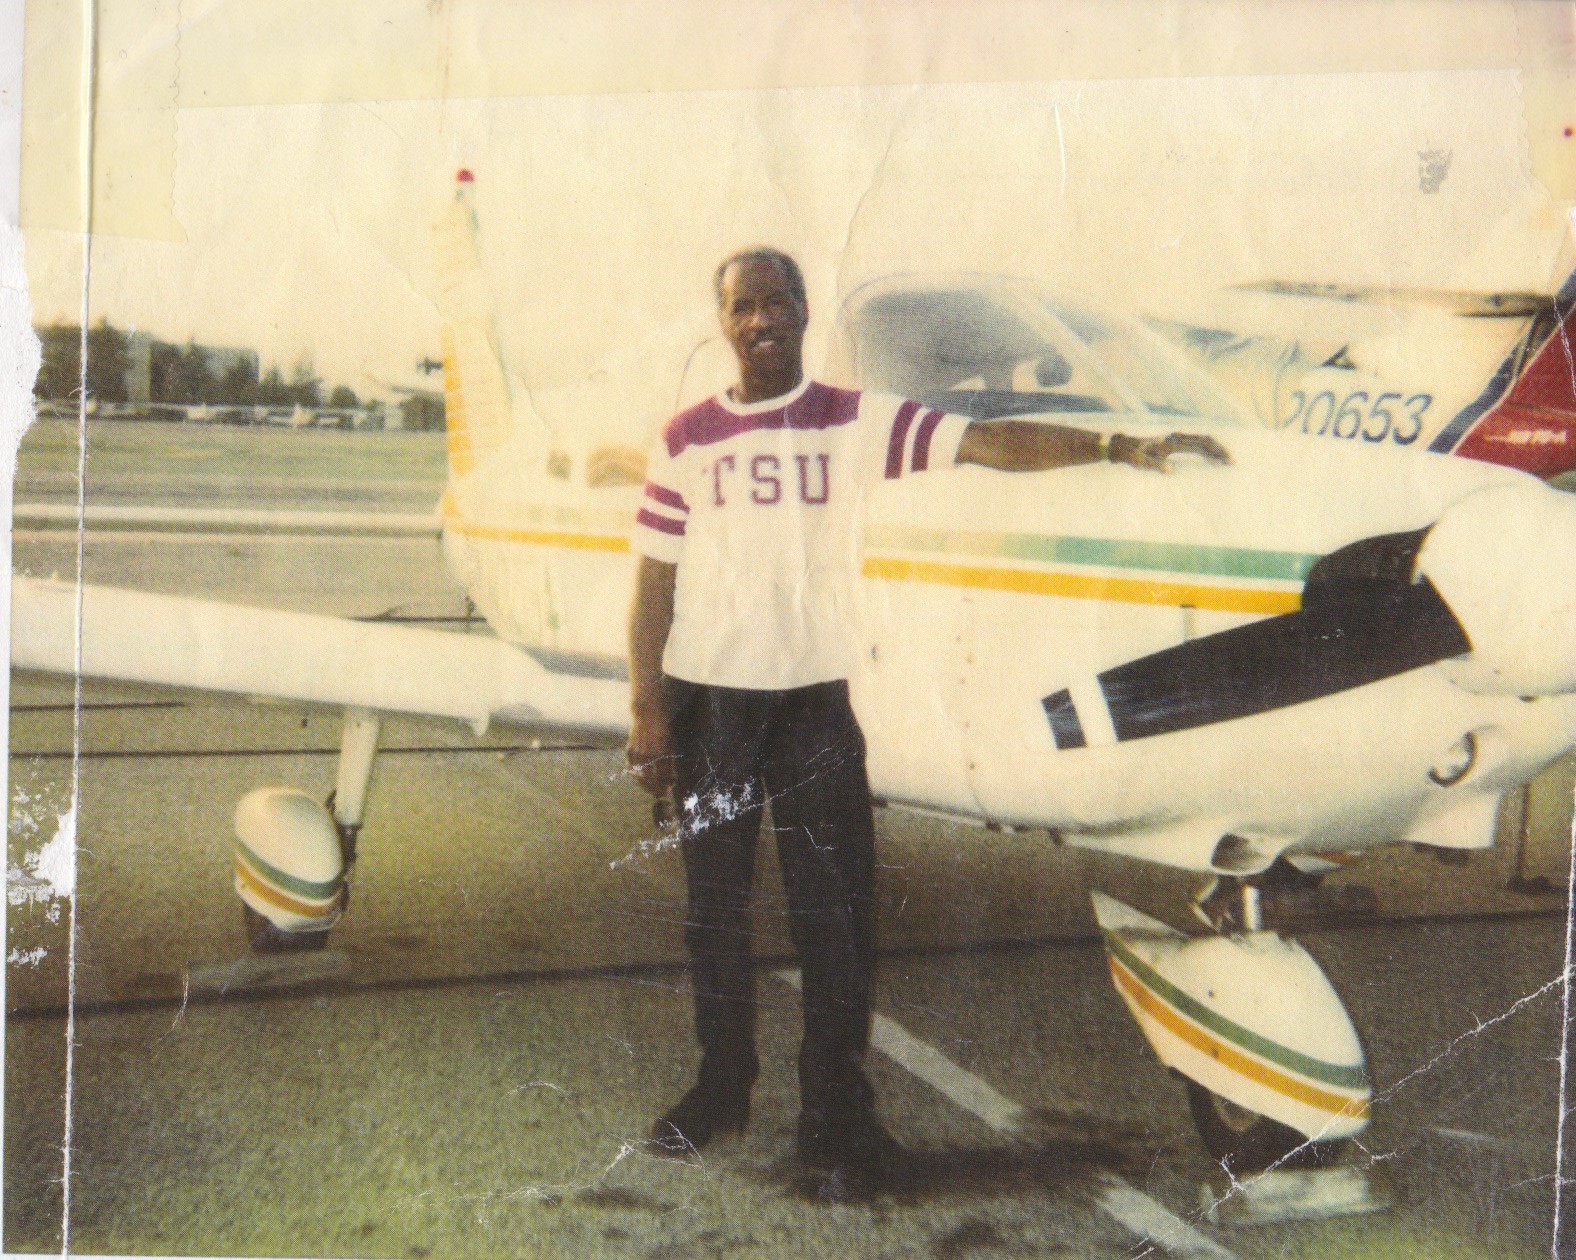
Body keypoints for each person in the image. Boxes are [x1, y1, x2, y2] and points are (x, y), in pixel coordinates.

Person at [626, 247, 1228, 1189]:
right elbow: (653, 581)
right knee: (716, 911)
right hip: (715, 708)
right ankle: (720, 1085)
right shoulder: (688, 436)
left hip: (816, 706)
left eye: (779, 301)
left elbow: (991, 441)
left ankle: (834, 1113)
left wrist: (1117, 446)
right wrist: (650, 711)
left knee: (838, 917)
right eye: (745, 306)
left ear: (804, 311)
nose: (763, 320)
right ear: (724, 321)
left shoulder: (851, 419)